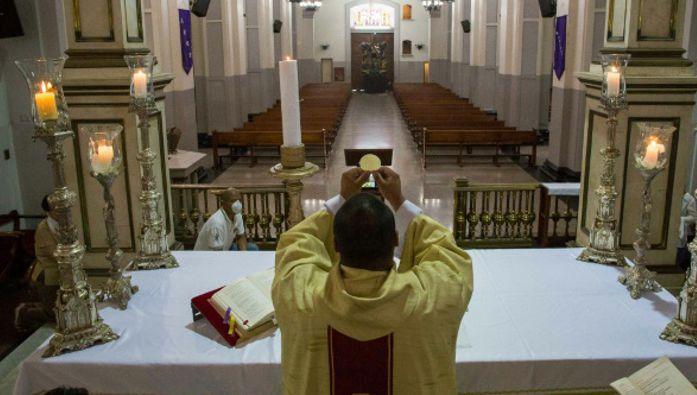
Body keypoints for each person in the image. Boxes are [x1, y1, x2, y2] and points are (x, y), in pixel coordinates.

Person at [272, 167, 473, 394]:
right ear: (396, 240)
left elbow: (296, 240)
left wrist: (342, 199)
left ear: (336, 245)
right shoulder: (431, 296)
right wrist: (398, 200)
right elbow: (446, 252)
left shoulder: (301, 293)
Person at [14, 195, 60, 331]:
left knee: (61, 310)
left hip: (62, 274)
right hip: (47, 275)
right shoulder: (43, 228)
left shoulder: (64, 223)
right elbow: (55, 254)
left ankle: (33, 306)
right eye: (55, 207)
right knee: (53, 314)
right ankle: (24, 314)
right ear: (48, 211)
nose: (60, 210)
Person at [193, 187, 258, 251]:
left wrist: (244, 255)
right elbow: (217, 254)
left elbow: (240, 236)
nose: (237, 204)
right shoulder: (217, 223)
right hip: (208, 256)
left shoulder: (237, 215)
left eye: (239, 200)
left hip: (225, 248)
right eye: (233, 201)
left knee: (253, 248)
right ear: (223, 203)